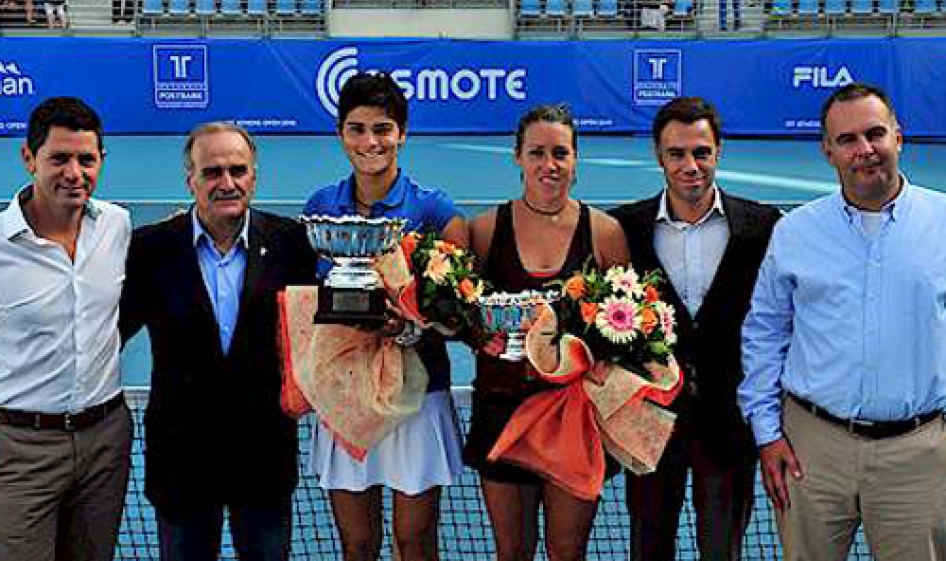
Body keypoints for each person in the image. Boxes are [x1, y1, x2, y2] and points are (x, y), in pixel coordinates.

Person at [739, 83, 946, 561]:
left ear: (899, 136)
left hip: (919, 457)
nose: (865, 150)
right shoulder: (795, 232)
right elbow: (765, 335)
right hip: (811, 454)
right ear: (828, 150)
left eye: (876, 134)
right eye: (848, 140)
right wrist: (767, 434)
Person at [120, 123, 316, 561]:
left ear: (254, 176)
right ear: (190, 180)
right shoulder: (149, 249)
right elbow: (107, 333)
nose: (227, 183)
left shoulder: (293, 244)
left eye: (237, 170)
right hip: (181, 462)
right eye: (212, 172)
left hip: (264, 459)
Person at [304, 72, 467, 561]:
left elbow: (459, 312)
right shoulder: (319, 208)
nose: (370, 141)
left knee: (414, 542)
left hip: (416, 397)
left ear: (402, 132)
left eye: (382, 129)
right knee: (358, 544)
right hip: (344, 397)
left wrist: (410, 326)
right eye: (357, 129)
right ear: (340, 134)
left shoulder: (435, 209)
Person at [610, 97, 780, 561]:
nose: (691, 165)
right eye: (677, 154)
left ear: (719, 151)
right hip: (649, 425)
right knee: (648, 549)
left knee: (722, 551)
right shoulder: (623, 227)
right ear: (659, 157)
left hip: (728, 428)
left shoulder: (763, 226)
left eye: (701, 152)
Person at [463, 104, 628, 561]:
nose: (549, 165)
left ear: (576, 159)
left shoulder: (605, 234)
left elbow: (625, 329)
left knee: (566, 552)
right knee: (511, 551)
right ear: (517, 157)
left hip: (574, 422)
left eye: (560, 153)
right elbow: (461, 320)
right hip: (500, 415)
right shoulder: (482, 232)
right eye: (537, 153)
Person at [0, 97, 133, 561]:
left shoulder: (117, 225)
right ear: (28, 158)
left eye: (86, 159)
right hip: (18, 448)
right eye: (59, 158)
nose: (74, 173)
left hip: (105, 443)